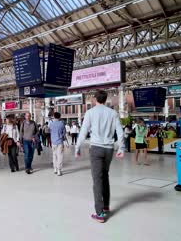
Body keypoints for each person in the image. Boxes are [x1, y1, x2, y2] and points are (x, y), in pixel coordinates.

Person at [75, 90, 125, 223]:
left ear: (95, 99)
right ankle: (106, 205)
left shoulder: (90, 112)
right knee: (105, 176)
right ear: (105, 99)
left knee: (97, 180)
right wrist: (121, 148)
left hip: (96, 148)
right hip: (109, 149)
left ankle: (100, 213)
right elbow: (120, 132)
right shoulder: (113, 113)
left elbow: (83, 131)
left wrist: (77, 147)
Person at [49, 112, 66, 176]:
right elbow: (64, 133)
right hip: (60, 142)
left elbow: (49, 130)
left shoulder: (51, 123)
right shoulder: (62, 123)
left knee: (54, 155)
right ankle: (59, 170)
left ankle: (55, 169)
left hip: (53, 142)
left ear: (54, 116)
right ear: (60, 116)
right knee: (60, 156)